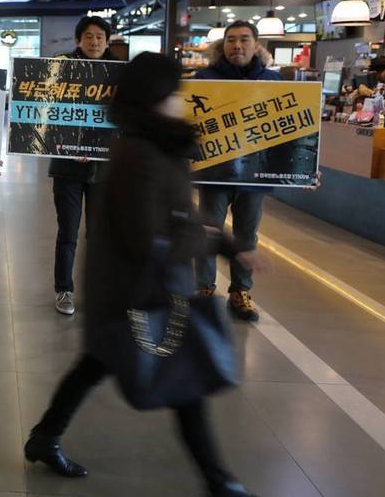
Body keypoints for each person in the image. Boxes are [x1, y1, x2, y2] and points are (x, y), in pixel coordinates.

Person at [24, 52, 258, 497]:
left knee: (94, 365)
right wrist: (211, 242)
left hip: (130, 290)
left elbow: (179, 215)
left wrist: (227, 246)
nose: (180, 102)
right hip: (138, 292)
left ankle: (44, 437)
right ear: (155, 97)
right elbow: (146, 237)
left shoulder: (154, 145)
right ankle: (220, 481)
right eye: (174, 93)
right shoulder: (140, 153)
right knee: (186, 386)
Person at [194, 21, 280, 322]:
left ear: (256, 45)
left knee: (247, 234)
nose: (237, 45)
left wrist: (302, 171)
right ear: (223, 45)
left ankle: (240, 292)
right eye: (231, 40)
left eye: (244, 39)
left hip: (254, 176)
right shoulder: (203, 79)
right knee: (208, 231)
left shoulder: (273, 81)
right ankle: (204, 290)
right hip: (214, 174)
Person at [49, 16, 118, 316]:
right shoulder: (60, 68)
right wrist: (68, 146)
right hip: (67, 168)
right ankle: (64, 289)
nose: (94, 42)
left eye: (100, 37)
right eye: (88, 36)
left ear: (107, 40)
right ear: (78, 40)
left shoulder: (120, 74)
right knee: (68, 231)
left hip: (106, 170)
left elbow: (127, 117)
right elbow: (46, 112)